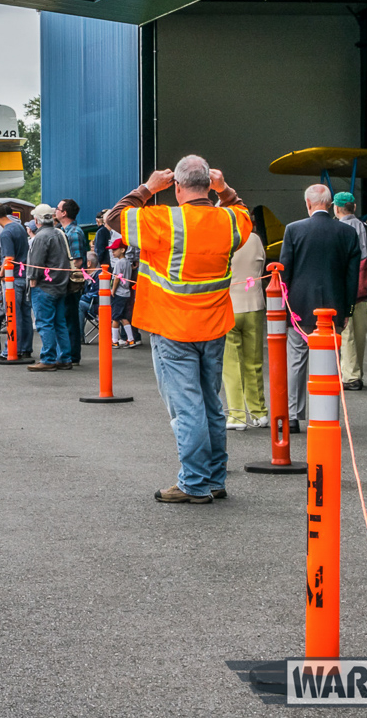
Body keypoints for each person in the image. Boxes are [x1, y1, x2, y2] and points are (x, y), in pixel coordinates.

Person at [105, 155, 251, 504]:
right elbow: (242, 211)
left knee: (187, 408)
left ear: (177, 186)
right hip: (214, 326)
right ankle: (214, 479)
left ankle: (195, 483)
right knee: (211, 405)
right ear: (209, 184)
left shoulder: (163, 219)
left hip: (172, 327)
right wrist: (225, 189)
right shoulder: (230, 220)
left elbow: (113, 218)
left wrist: (148, 187)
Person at [279, 184, 360, 433]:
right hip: (333, 309)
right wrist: (346, 310)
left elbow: (284, 273)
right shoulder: (347, 233)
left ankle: (292, 416)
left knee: (296, 361)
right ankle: (326, 413)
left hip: (300, 308)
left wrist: (285, 308)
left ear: (308, 203)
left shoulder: (293, 230)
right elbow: (351, 277)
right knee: (329, 362)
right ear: (329, 204)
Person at [221, 232, 267, 430]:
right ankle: (259, 412)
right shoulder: (255, 239)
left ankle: (237, 415)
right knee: (254, 361)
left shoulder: (221, 237)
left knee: (231, 365)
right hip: (254, 304)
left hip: (228, 305)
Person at [333, 191, 367, 391]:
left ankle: (350, 377)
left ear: (336, 208)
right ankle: (357, 371)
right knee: (360, 331)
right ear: (354, 207)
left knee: (347, 331)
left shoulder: (336, 229)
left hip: (343, 287)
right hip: (363, 287)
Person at [26, 204, 72, 370]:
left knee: (45, 323)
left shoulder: (41, 237)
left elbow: (35, 262)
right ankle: (65, 357)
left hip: (44, 286)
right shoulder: (59, 233)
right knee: (60, 323)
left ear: (37, 219)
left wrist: (32, 279)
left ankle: (48, 359)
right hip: (60, 284)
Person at [0, 201, 33, 359]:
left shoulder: (6, 232)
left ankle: (12, 349)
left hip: (13, 277)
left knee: (13, 314)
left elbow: (9, 257)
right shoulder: (19, 227)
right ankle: (26, 348)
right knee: (26, 314)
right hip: (25, 274)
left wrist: (0, 272)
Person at [56, 198, 89, 365]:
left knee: (70, 318)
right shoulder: (65, 231)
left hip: (71, 282)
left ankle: (73, 356)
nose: (55, 211)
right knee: (67, 317)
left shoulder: (73, 233)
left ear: (64, 213)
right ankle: (68, 354)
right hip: (66, 281)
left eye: (58, 208)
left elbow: (77, 261)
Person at [107, 238, 138, 348]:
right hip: (126, 293)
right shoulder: (128, 263)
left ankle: (114, 340)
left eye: (115, 250)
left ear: (122, 250)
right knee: (124, 317)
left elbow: (116, 278)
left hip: (119, 293)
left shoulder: (119, 263)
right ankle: (131, 339)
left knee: (115, 318)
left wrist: (112, 291)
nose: (113, 252)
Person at [78, 252, 100, 344]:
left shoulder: (100, 275)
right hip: (89, 303)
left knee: (79, 304)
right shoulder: (86, 275)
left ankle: (79, 336)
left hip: (97, 306)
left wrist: (82, 297)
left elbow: (97, 294)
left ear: (89, 263)